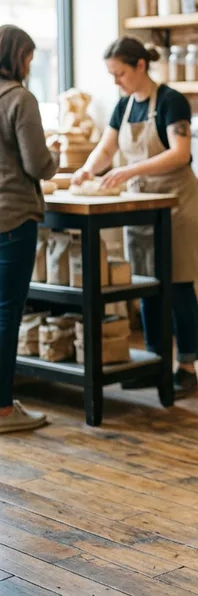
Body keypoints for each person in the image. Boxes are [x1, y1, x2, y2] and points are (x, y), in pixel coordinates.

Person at [73, 37, 198, 397]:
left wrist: (128, 171)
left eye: (120, 73)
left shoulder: (171, 101)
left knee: (178, 285)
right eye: (112, 75)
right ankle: (154, 363)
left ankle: (187, 368)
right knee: (147, 285)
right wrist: (87, 170)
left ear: (141, 66)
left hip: (177, 204)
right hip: (141, 206)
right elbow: (107, 148)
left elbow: (180, 153)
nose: (116, 81)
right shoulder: (124, 105)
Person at [0, 25, 58, 433]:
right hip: (13, 218)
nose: (31, 66)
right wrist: (55, 154)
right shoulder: (20, 98)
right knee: (6, 315)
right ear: (17, 56)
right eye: (30, 58)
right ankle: (3, 409)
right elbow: (37, 164)